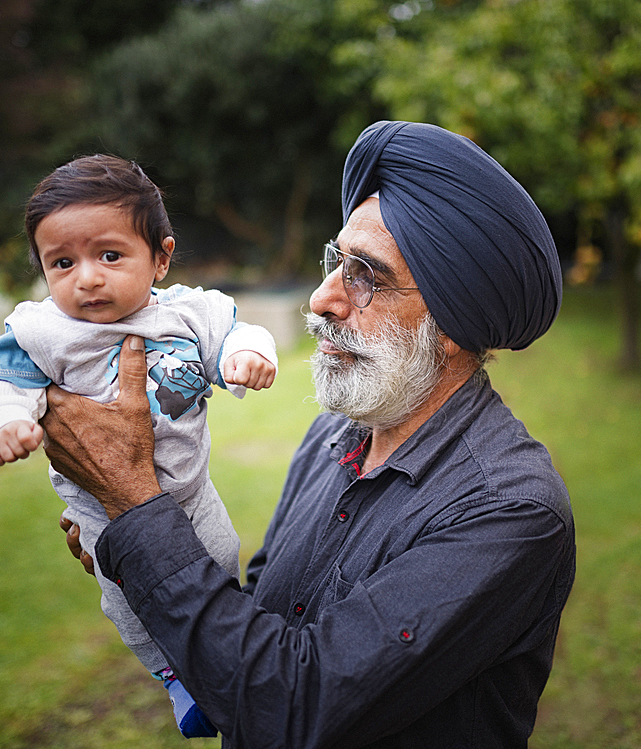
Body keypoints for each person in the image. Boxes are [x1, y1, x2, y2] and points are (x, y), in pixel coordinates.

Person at [46, 122, 576, 748]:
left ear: (453, 323)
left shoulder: (509, 511)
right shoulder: (337, 435)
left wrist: (135, 503)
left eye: (366, 277)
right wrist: (141, 549)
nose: (323, 298)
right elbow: (259, 620)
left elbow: (291, 711)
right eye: (337, 262)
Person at [0, 154, 277, 738]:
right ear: (42, 270)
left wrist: (246, 355)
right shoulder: (44, 333)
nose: (86, 277)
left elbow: (238, 329)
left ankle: (223, 652)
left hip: (191, 491)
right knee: (128, 594)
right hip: (100, 507)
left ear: (160, 257)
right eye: (62, 263)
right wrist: (7, 419)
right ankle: (174, 675)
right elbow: (0, 381)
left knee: (220, 555)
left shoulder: (189, 313)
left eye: (109, 256)